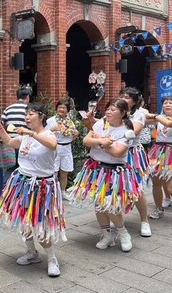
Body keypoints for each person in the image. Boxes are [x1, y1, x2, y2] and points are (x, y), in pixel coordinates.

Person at [0, 102, 64, 277]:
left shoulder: (48, 134)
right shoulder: (25, 135)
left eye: (31, 113)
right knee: (25, 222)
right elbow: (10, 141)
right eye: (26, 114)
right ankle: (32, 253)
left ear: (41, 116)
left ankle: (51, 258)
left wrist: (31, 133)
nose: (26, 117)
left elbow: (52, 145)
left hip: (42, 187)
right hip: (23, 184)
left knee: (41, 224)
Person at [69, 99, 138, 252]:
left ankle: (123, 232)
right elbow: (87, 140)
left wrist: (100, 141)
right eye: (108, 108)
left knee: (111, 205)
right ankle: (107, 234)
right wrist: (102, 140)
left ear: (123, 112)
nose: (108, 111)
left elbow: (118, 152)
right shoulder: (101, 123)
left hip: (114, 172)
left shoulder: (127, 130)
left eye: (113, 109)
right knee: (99, 205)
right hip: (95, 169)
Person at [120, 87, 152, 237]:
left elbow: (135, 131)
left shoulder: (139, 113)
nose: (123, 99)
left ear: (134, 101)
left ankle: (145, 221)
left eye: (127, 97)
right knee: (118, 187)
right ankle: (117, 220)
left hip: (132, 155)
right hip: (117, 152)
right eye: (122, 96)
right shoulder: (117, 110)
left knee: (137, 189)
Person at [45, 99, 78, 201]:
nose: (61, 109)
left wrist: (75, 134)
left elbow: (73, 136)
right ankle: (52, 192)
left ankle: (63, 192)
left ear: (67, 110)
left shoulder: (70, 122)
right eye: (60, 107)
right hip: (55, 148)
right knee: (53, 171)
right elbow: (43, 134)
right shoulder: (51, 121)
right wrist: (52, 129)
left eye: (64, 108)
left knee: (65, 172)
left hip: (66, 148)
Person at [146, 96, 172, 219]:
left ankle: (167, 198)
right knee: (156, 182)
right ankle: (158, 209)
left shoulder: (160, 118)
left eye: (171, 103)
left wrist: (155, 116)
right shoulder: (159, 119)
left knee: (170, 187)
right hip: (158, 151)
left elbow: (169, 124)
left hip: (171, 152)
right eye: (165, 103)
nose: (168, 105)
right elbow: (142, 120)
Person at [1, 88, 31, 178]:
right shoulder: (29, 110)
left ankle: (6, 188)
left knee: (10, 168)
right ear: (28, 97)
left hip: (10, 143)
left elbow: (1, 124)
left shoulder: (8, 109)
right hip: (24, 143)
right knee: (24, 167)